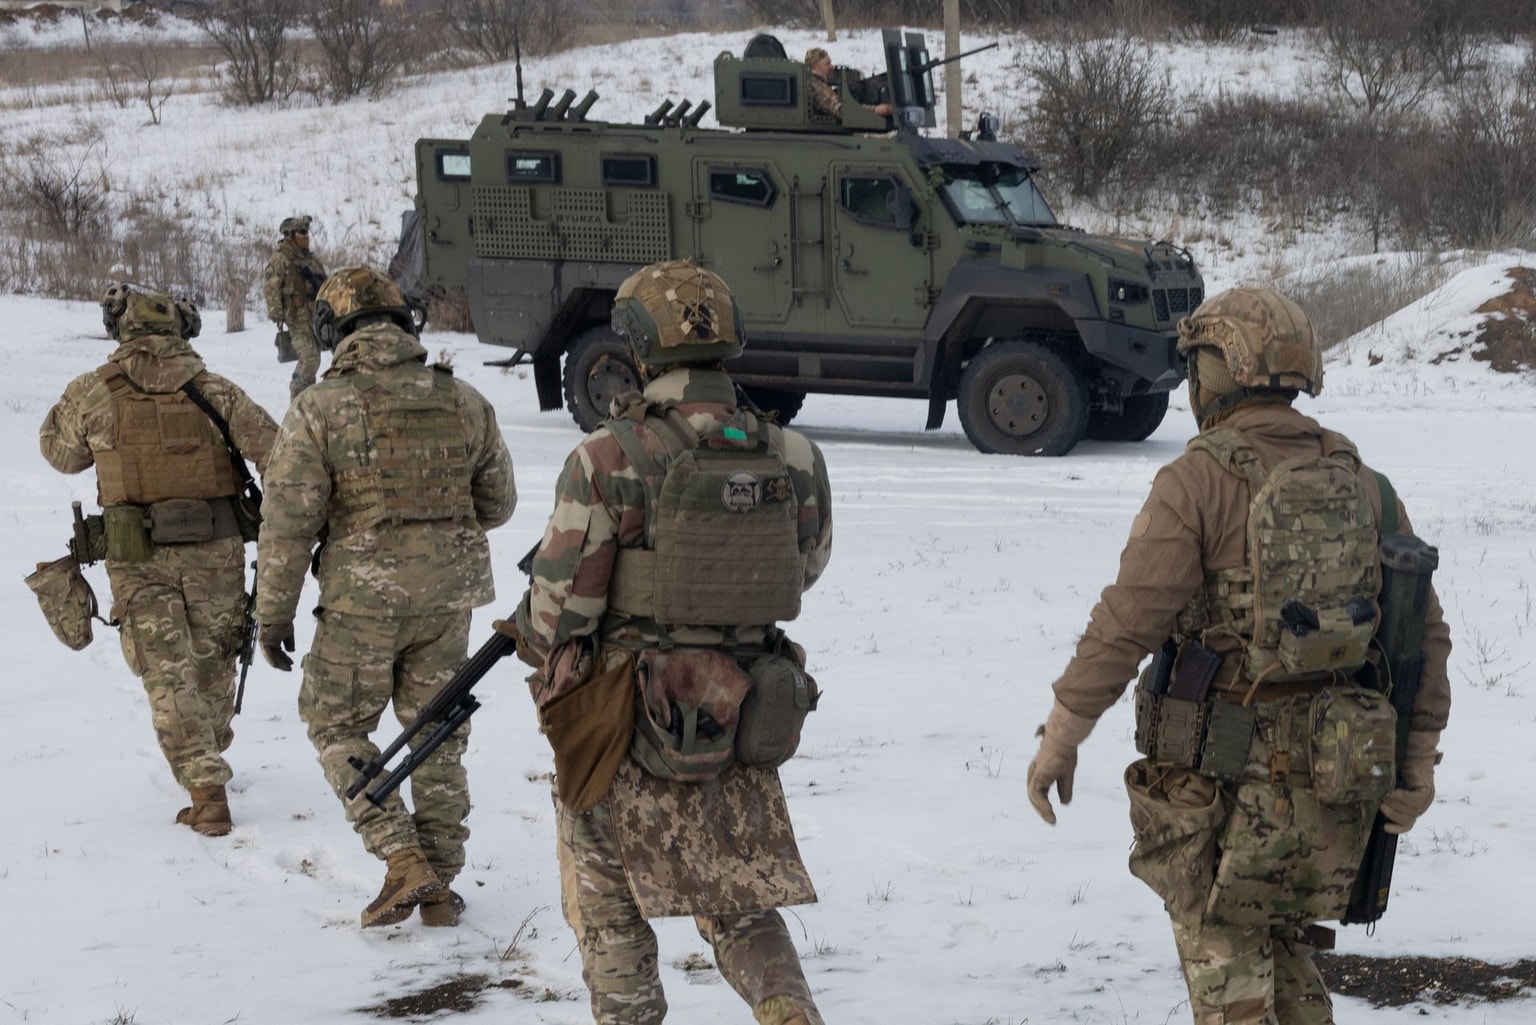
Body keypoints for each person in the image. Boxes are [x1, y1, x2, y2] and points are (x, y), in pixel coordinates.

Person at [1025, 287, 1452, 1025]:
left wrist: (1060, 738)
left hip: (1219, 797)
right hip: (1334, 788)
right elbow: (1423, 635)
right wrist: (1416, 763)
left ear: (1215, 374)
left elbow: (1124, 624)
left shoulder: (1197, 481)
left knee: (1231, 981)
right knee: (1287, 959)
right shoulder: (1363, 483)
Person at [511, 259, 833, 1025]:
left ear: (637, 347)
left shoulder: (607, 457)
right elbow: (806, 566)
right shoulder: (792, 454)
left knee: (610, 901)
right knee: (741, 895)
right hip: (746, 705)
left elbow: (562, 611)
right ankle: (787, 1008)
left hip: (626, 718)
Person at [254, 265, 515, 928]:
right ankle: (440, 879)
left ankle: (403, 859)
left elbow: (288, 524)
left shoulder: (319, 407)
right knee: (439, 727)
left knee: (337, 724)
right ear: (404, 323)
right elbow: (499, 502)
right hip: (450, 594)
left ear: (331, 329)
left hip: (362, 597)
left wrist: (272, 615)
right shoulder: (464, 399)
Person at [40, 283, 279, 836]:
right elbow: (279, 453)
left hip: (137, 556)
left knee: (167, 671)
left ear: (120, 332)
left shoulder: (93, 392)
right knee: (214, 657)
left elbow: (60, 454)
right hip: (215, 551)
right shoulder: (214, 389)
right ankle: (208, 757)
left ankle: (206, 787)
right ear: (180, 331)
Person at [263, 214, 329, 400]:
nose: (307, 235)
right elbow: (271, 286)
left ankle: (307, 401)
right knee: (309, 359)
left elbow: (324, 284)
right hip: (296, 319)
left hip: (314, 318)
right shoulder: (280, 259)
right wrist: (276, 312)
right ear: (291, 235)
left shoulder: (311, 259)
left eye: (307, 231)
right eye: (302, 232)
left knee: (313, 360)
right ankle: (297, 398)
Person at [806, 46, 892, 119]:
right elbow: (841, 110)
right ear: (814, 66)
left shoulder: (819, 83)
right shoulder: (814, 85)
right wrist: (876, 110)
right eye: (827, 63)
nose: (831, 66)